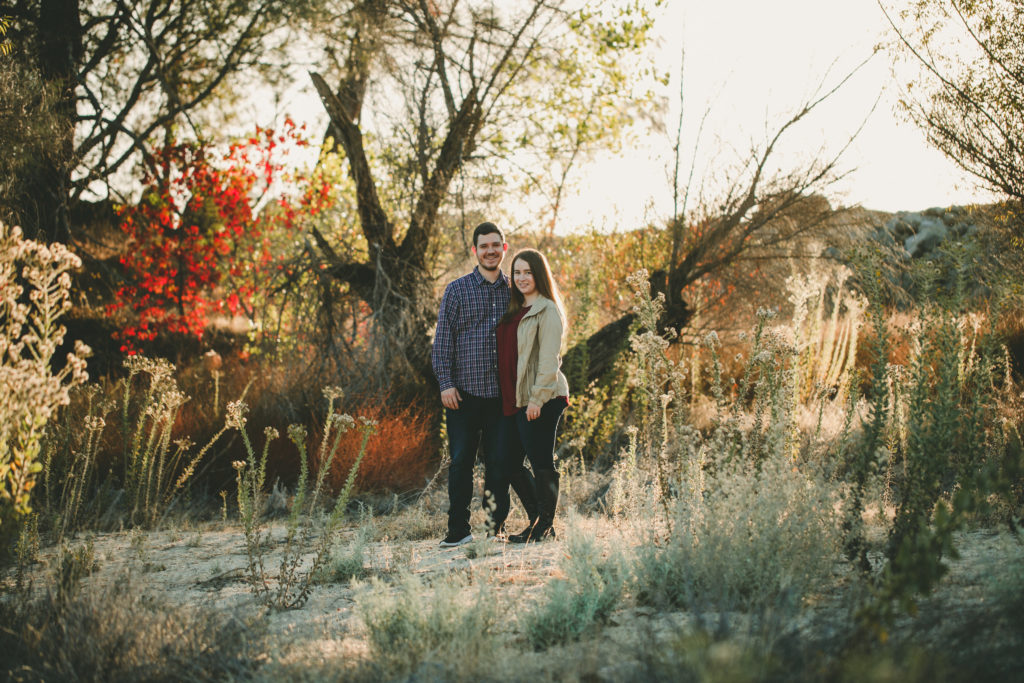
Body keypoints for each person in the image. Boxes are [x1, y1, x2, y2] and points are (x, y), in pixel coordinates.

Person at [431, 222, 538, 547]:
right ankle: (458, 532)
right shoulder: (457, 290)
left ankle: (494, 530)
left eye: (496, 245)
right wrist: (446, 383)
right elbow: (442, 342)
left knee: (498, 466)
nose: (490, 250)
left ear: (504, 248)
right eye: (484, 246)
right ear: (475, 250)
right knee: (461, 461)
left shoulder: (515, 290)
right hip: (462, 395)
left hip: (503, 397)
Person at [496, 248, 570, 543]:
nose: (522, 277)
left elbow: (550, 360)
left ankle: (543, 527)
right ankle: (540, 522)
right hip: (517, 397)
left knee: (541, 461)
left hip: (543, 398)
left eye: (528, 272)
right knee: (507, 462)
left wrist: (537, 399)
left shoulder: (547, 309)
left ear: (539, 274)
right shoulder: (514, 309)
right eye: (517, 272)